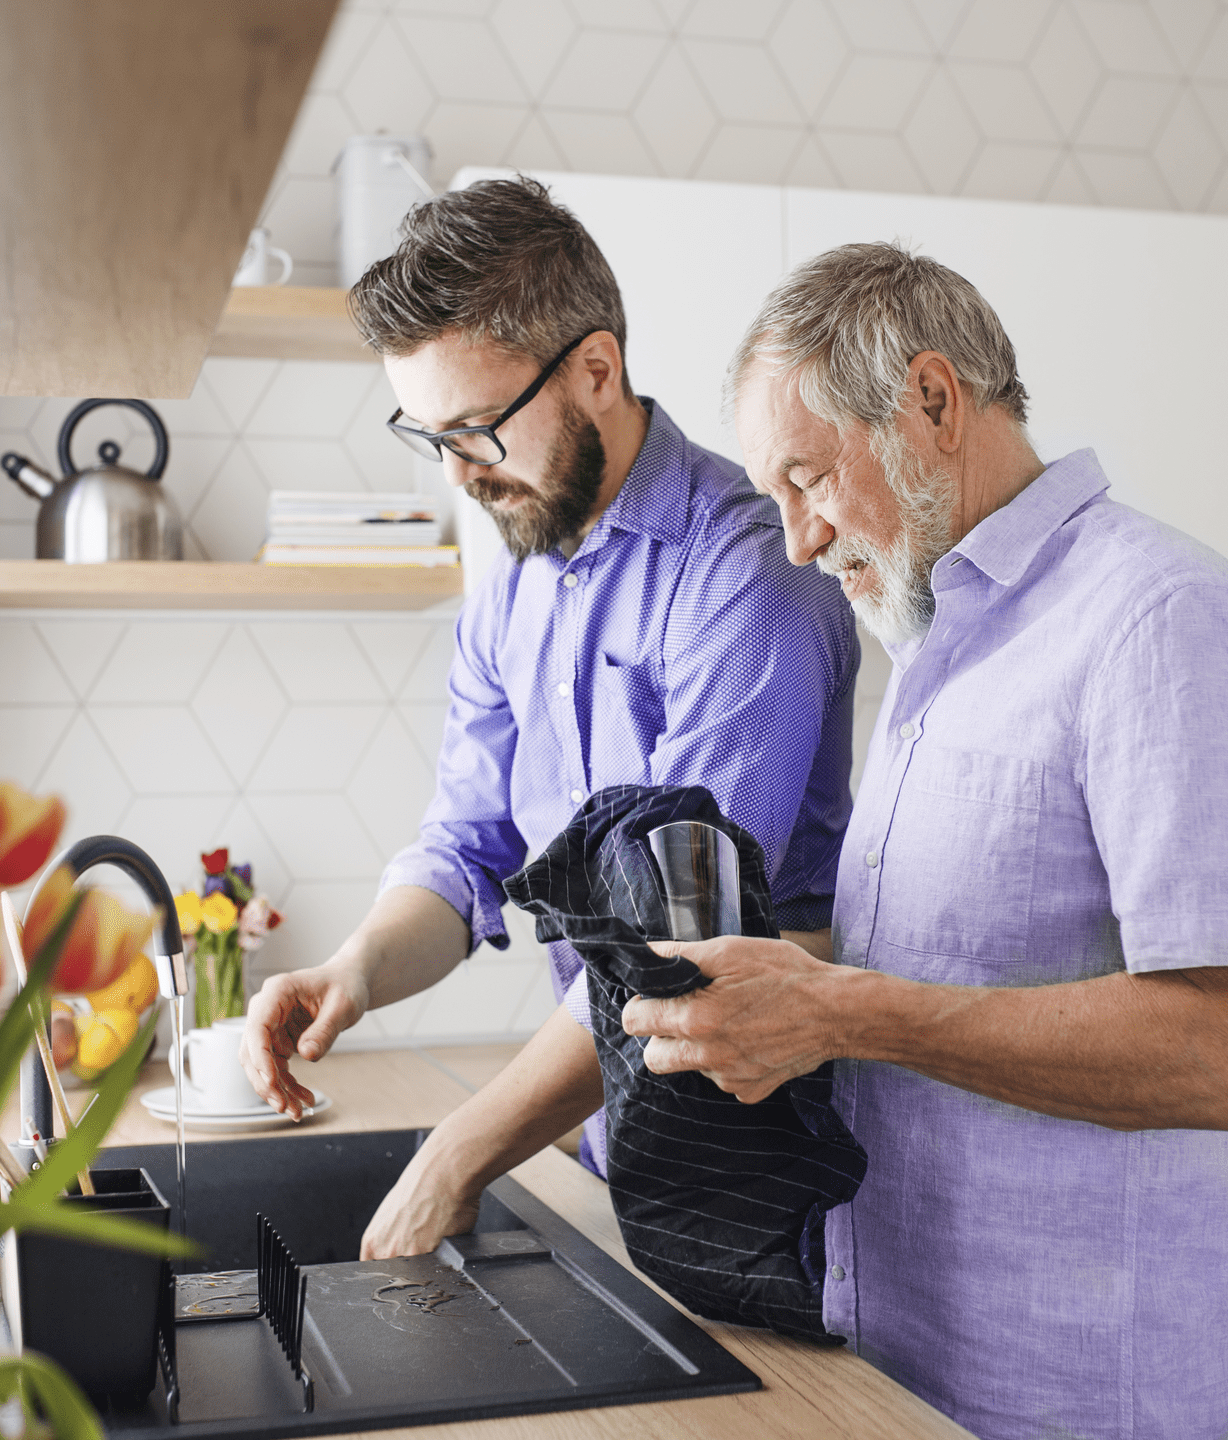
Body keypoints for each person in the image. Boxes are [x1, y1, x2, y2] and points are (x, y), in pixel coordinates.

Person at [620, 243, 1228, 1440]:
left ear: (932, 403)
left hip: (1070, 1397)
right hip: (895, 1365)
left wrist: (844, 1011)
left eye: (807, 478)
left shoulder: (1157, 617)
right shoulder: (932, 641)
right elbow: (963, 960)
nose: (795, 540)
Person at [238, 177, 859, 1205]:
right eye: (430, 435)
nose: (457, 474)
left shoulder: (745, 574)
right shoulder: (512, 590)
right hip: (623, 1133)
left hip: (767, 1166)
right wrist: (354, 971)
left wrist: (462, 1149)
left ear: (596, 369)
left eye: (477, 428)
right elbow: (464, 845)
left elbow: (675, 937)